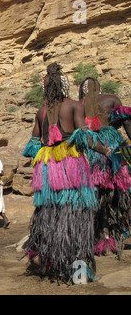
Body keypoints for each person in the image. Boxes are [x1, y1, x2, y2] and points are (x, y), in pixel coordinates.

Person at [22, 62, 111, 283]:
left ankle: (52, 264)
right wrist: (105, 149)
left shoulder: (41, 111)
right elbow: (84, 137)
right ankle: (79, 272)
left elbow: (32, 145)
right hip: (71, 163)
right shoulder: (74, 106)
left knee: (50, 214)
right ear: (64, 86)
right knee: (78, 217)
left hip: (47, 166)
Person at [79, 77, 131, 257]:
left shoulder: (80, 104)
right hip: (113, 148)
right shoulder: (112, 99)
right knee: (117, 193)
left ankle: (96, 237)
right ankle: (109, 235)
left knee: (94, 194)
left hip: (90, 150)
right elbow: (127, 125)